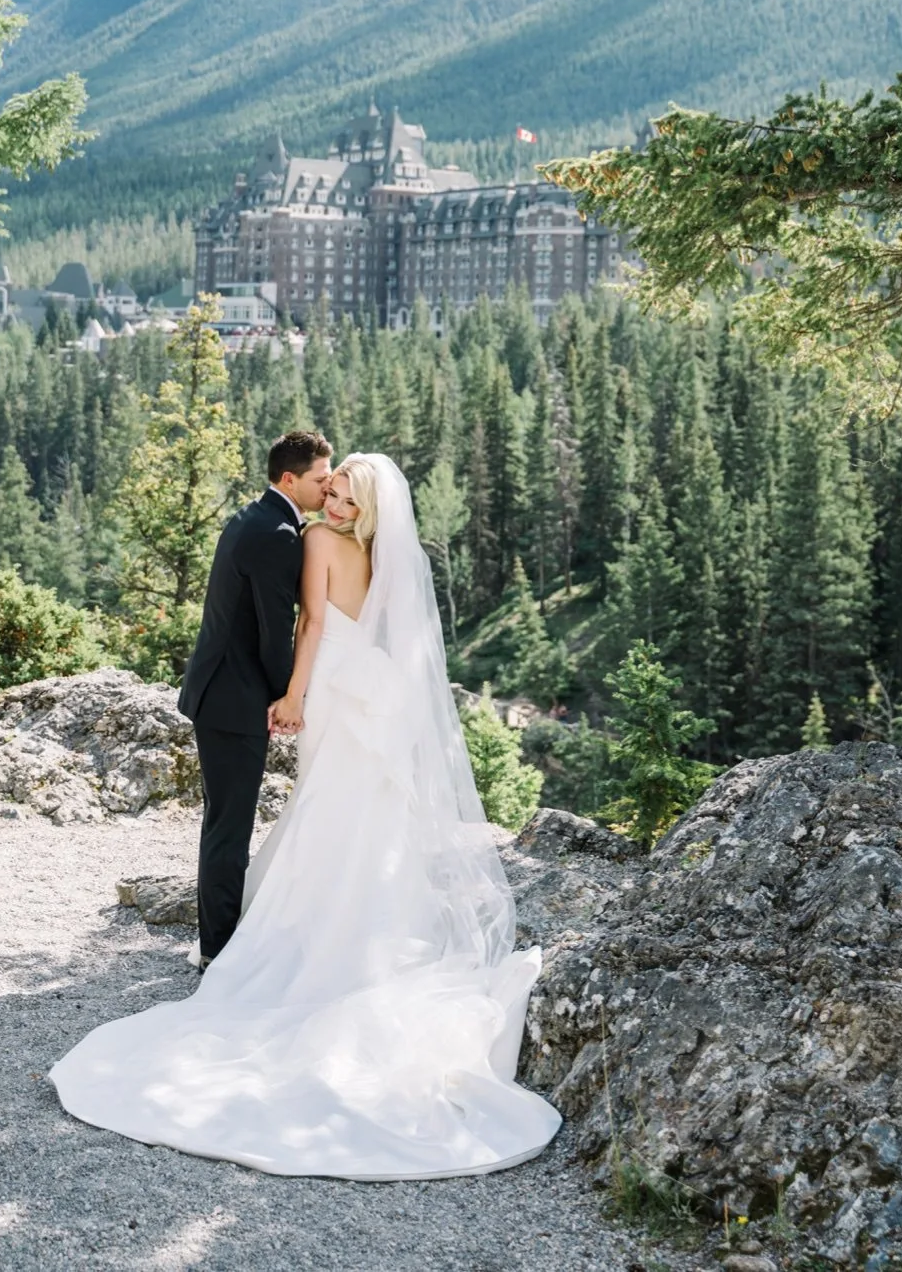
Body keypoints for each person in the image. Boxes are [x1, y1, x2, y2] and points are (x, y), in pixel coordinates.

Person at [52, 452, 561, 1178]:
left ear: (364, 508)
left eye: (347, 496)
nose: (334, 502)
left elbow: (314, 623)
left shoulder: (319, 541)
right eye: (333, 488)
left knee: (330, 803)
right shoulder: (380, 555)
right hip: (374, 689)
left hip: (331, 682)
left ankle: (300, 936)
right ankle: (368, 927)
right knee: (362, 808)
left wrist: (292, 695)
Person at [177, 428, 331, 967]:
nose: (327, 485)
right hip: (232, 701)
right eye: (319, 478)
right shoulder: (279, 534)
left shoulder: (260, 517)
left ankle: (216, 940)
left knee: (224, 820)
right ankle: (217, 952)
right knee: (229, 827)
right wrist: (288, 697)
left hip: (220, 690)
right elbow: (274, 630)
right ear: (289, 478)